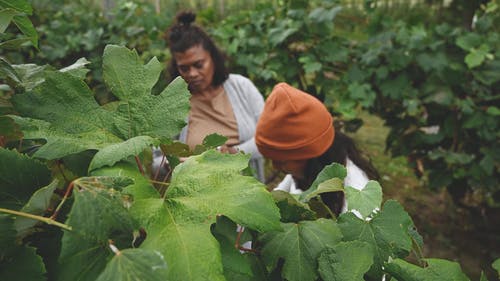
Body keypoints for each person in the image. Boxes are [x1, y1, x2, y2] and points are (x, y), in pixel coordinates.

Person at [160, 11, 265, 181]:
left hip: (247, 194)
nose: (192, 73)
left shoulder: (242, 87)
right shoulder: (172, 104)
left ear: (213, 58)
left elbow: (268, 138)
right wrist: (172, 164)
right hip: (195, 198)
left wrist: (231, 153)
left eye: (199, 65)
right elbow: (156, 159)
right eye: (184, 68)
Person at [255, 82, 379, 216]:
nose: (275, 166)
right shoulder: (304, 173)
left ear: (311, 156)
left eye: (283, 161)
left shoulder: (357, 201)